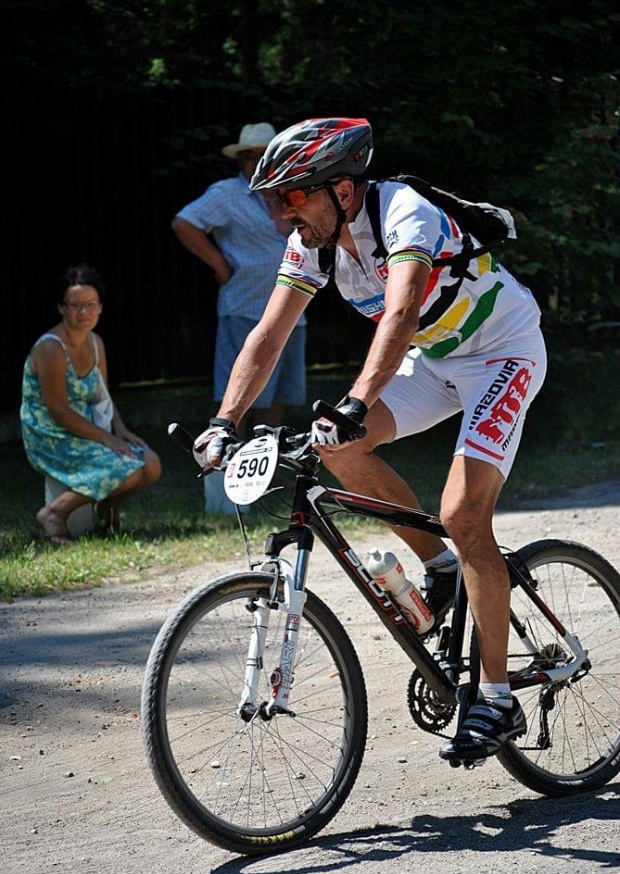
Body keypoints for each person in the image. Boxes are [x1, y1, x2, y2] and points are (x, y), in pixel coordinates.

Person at [192, 118, 549, 764]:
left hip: (503, 354)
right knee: (336, 449)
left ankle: (497, 697)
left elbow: (404, 311)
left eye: (292, 196)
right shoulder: (312, 241)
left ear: (344, 191)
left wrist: (356, 401)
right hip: (437, 361)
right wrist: (225, 420)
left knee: (463, 514)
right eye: (274, 199)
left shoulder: (406, 214)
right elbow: (269, 335)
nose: (280, 214)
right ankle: (441, 571)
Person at [171, 122, 306, 427]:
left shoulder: (292, 192)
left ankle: (267, 461)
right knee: (236, 391)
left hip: (292, 311)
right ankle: (225, 458)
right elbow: (184, 223)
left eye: (263, 155)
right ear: (240, 161)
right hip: (246, 307)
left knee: (278, 395)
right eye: (248, 156)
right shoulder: (226, 193)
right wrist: (219, 264)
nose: (256, 162)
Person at [20, 265, 161, 543]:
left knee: (151, 464)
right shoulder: (51, 347)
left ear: (100, 307)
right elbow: (58, 411)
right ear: (61, 308)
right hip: (51, 434)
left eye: (90, 304)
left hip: (86, 426)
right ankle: (54, 513)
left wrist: (119, 430)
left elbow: (102, 396)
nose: (83, 312)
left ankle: (107, 507)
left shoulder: (95, 343)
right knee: (128, 468)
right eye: (75, 305)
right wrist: (107, 439)